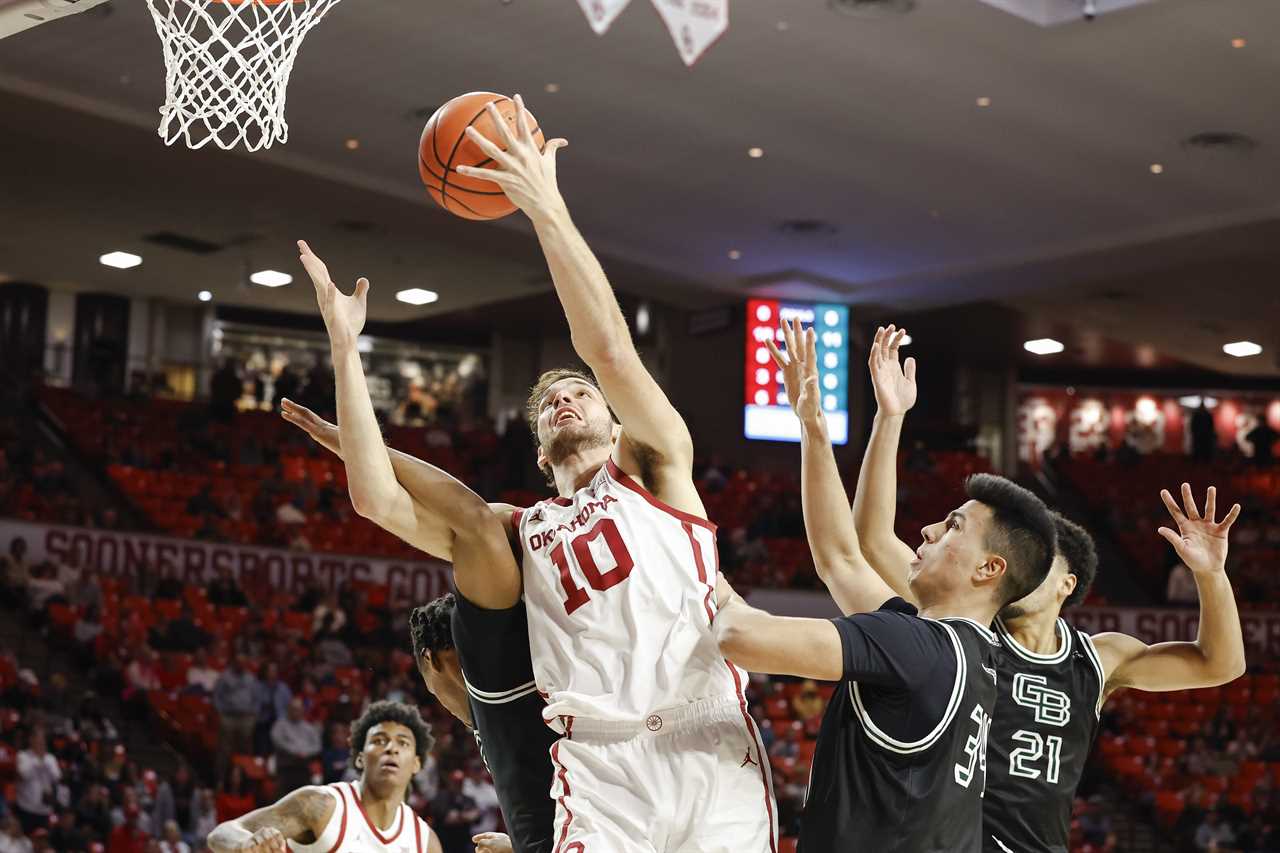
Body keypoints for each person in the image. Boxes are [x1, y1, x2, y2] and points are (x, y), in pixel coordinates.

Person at [286, 94, 775, 852]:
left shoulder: (655, 465)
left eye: (578, 392)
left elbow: (609, 349)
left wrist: (545, 205)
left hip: (705, 732)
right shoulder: (522, 530)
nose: (566, 398)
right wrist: (347, 357)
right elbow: (375, 496)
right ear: (540, 450)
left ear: (616, 421)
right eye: (548, 401)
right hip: (599, 763)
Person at [852, 324, 1248, 853]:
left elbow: (1220, 665)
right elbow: (876, 538)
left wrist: (1210, 573)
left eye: (1040, 560)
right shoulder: (966, 623)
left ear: (1066, 582)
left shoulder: (1098, 659)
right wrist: (890, 418)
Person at [713, 316, 1058, 852]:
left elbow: (740, 640)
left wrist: (698, 573)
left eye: (953, 527)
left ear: (989, 569)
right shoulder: (967, 653)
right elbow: (839, 558)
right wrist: (813, 424)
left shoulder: (917, 647)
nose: (927, 529)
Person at [409, 593, 555, 853]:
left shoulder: (498, 693)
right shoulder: (483, 719)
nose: (440, 699)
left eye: (431, 688)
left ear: (430, 659)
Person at [207, 700, 441, 852]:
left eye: (403, 742)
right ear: (360, 758)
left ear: (417, 764)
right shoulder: (321, 806)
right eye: (379, 741)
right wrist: (245, 844)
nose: (391, 748)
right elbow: (221, 834)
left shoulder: (424, 842)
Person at [212, 658, 259, 784]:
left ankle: (245, 781)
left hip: (246, 717)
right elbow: (217, 696)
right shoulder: (225, 677)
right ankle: (220, 780)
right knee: (225, 750)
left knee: (245, 751)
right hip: (229, 716)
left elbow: (256, 698)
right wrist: (221, 712)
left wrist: (253, 715)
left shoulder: (250, 678)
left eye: (243, 663)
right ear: (234, 664)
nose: (241, 665)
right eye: (239, 662)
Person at [271, 698, 322, 795]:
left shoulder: (308, 728)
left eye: (298, 709)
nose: (296, 712)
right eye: (293, 709)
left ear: (303, 711)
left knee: (304, 798)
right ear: (288, 709)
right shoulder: (280, 725)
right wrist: (295, 752)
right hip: (286, 767)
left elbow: (317, 746)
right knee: (284, 799)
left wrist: (305, 752)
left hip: (304, 768)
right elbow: (277, 741)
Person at [14, 728, 60, 834]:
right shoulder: (23, 756)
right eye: (38, 739)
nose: (41, 742)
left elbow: (56, 777)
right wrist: (38, 760)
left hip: (44, 809)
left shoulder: (50, 758)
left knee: (42, 841)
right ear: (31, 740)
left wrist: (44, 761)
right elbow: (24, 775)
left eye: (42, 740)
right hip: (26, 808)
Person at [430, 770, 480, 853]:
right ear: (450, 782)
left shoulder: (468, 799)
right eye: (455, 783)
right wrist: (466, 816)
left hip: (463, 842)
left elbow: (477, 818)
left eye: (460, 783)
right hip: (445, 842)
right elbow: (448, 818)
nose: (457, 785)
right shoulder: (441, 797)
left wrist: (459, 816)